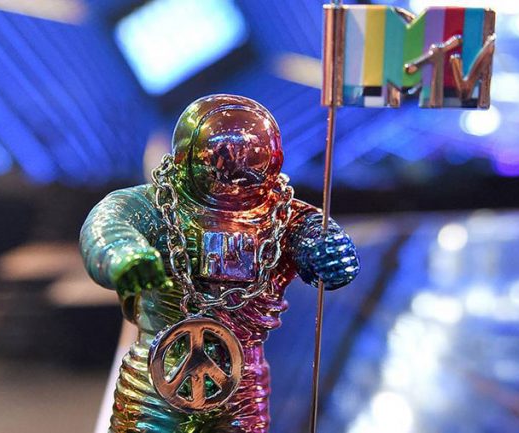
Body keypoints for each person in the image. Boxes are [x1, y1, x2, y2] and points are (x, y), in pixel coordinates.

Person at [80, 94, 360, 433]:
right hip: (158, 376)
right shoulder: (152, 206)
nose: (237, 170)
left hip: (240, 380)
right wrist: (122, 254)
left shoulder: (284, 216)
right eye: (225, 156)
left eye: (250, 157)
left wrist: (328, 251)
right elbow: (106, 225)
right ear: (186, 156)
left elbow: (324, 242)